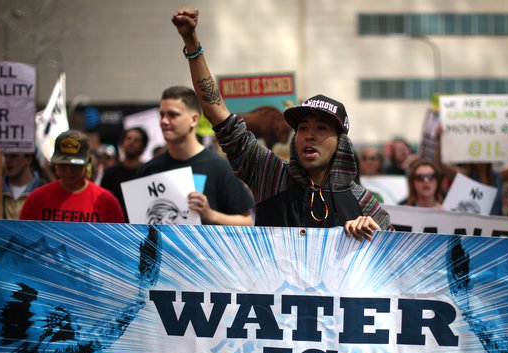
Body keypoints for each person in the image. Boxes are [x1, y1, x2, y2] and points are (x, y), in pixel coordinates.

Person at [171, 7, 390, 240]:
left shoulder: (366, 206)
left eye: (321, 128)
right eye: (303, 128)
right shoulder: (270, 175)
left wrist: (376, 237)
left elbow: (394, 263)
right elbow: (218, 114)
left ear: (341, 143)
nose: (309, 135)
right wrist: (192, 44)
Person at [135, 86, 254, 226]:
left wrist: (211, 215)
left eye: (173, 115)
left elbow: (247, 222)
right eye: (161, 115)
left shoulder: (219, 168)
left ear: (194, 119)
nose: (164, 121)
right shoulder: (148, 170)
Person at [19, 130, 125, 223]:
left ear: (86, 163)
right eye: (63, 165)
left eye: (75, 165)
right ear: (55, 164)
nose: (68, 171)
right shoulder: (37, 199)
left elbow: (121, 241)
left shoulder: (106, 201)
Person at [0, 153, 47, 219]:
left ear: (28, 159)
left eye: (14, 156)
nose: (8, 160)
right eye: (5, 156)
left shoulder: (46, 192)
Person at [101, 127, 149, 222]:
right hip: (115, 226)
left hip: (141, 227)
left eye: (136, 140)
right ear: (122, 143)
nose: (131, 142)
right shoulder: (110, 173)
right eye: (128, 138)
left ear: (143, 147)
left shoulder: (148, 172)